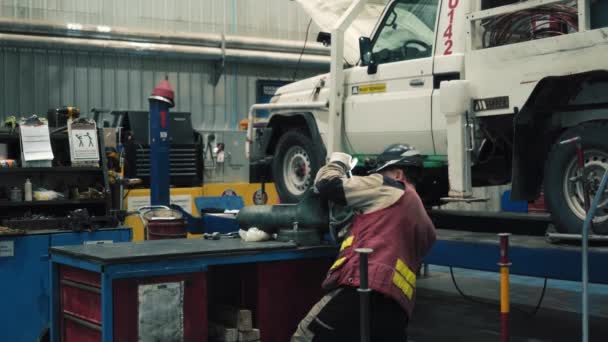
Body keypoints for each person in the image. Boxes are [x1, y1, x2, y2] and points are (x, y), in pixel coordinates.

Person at [292, 144, 437, 342]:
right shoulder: (424, 222)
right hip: (397, 309)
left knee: (305, 337)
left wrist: (337, 162)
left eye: (381, 173)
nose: (376, 178)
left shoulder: (391, 188)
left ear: (398, 174)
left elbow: (327, 184)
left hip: (362, 291)